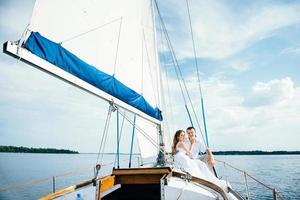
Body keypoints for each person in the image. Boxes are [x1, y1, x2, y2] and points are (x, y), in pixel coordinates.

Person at [172, 129, 231, 194]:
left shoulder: (180, 143)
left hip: (181, 157)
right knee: (200, 165)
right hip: (184, 157)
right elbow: (189, 152)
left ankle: (208, 176)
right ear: (178, 137)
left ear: (195, 132)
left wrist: (211, 157)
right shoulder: (182, 142)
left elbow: (205, 150)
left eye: (184, 135)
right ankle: (209, 178)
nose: (184, 136)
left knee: (200, 164)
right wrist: (192, 144)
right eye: (182, 135)